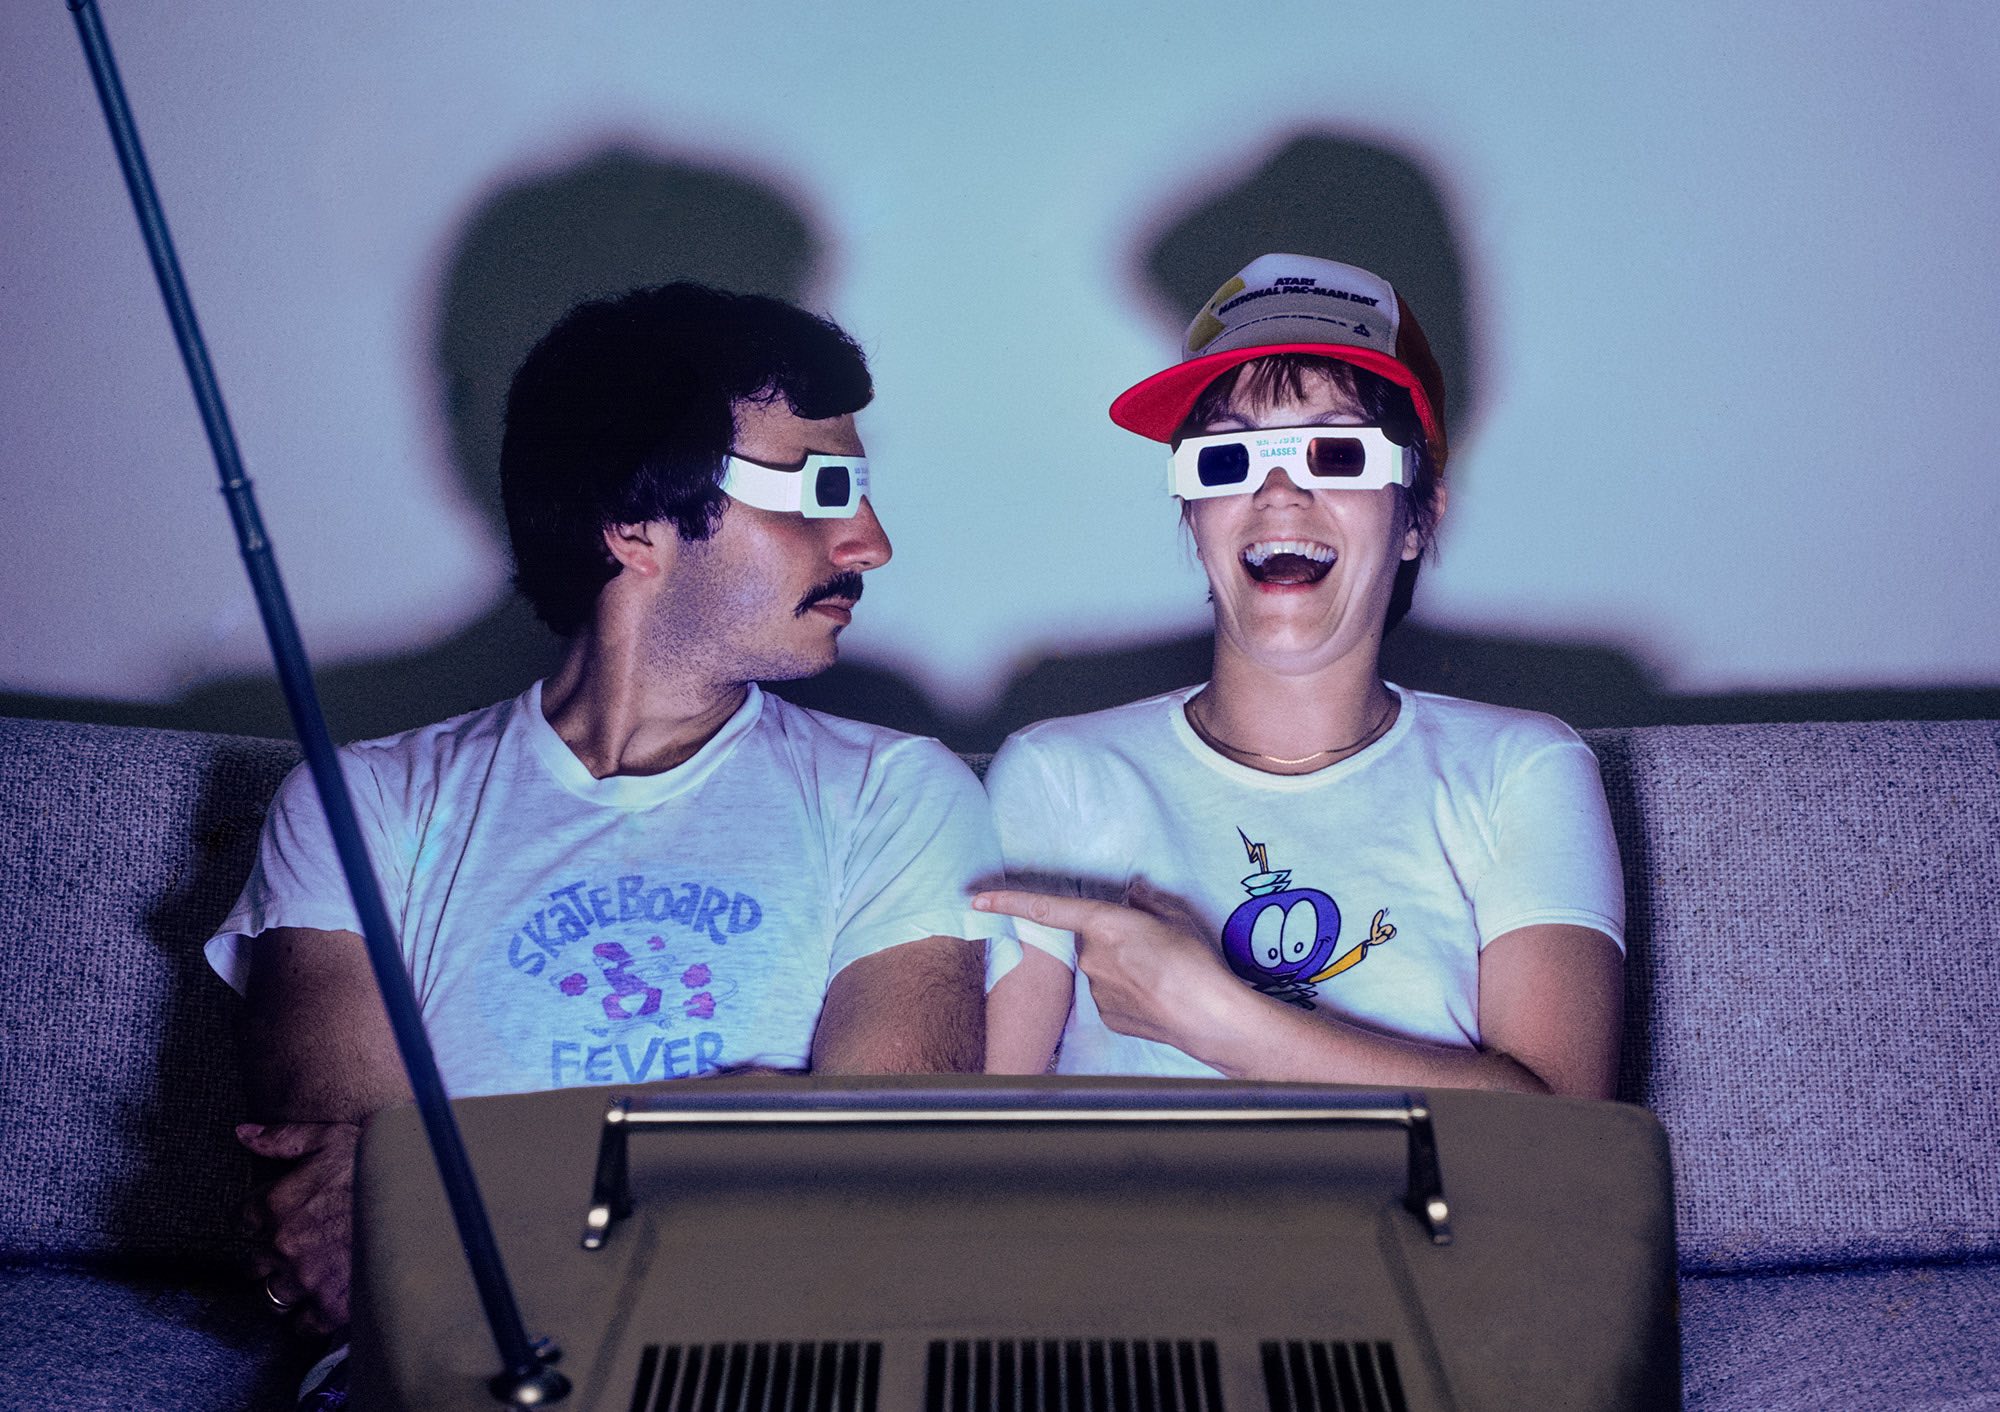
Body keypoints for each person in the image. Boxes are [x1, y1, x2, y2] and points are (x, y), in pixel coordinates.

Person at [205, 283, 1011, 1359]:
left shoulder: (900, 794)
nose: (868, 540)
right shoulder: (360, 807)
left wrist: (468, 1173)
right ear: (635, 524)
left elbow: (869, 1191)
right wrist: (733, 1133)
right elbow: (352, 1250)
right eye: (822, 488)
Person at [977, 253, 1624, 1096]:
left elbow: (1569, 1145)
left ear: (1418, 517)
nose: (1280, 493)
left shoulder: (1522, 770)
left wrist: (1214, 1015)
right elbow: (973, 1138)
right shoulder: (1061, 776)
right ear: (1193, 513)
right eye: (1227, 460)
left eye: (1338, 452)